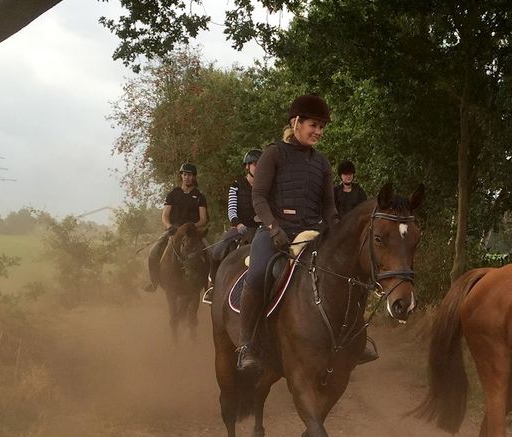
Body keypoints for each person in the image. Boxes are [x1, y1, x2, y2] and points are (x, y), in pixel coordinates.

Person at [236, 94, 378, 372]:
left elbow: (328, 205)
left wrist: (337, 230)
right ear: (296, 122)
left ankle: (355, 337)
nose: (319, 132)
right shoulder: (273, 154)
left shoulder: (322, 163)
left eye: (322, 127)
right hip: (274, 231)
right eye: (314, 125)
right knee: (257, 273)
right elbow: (259, 197)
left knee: (348, 273)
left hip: (313, 232)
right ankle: (247, 345)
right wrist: (273, 227)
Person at [203, 149, 262, 303]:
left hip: (261, 228)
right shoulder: (236, 185)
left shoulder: (265, 186)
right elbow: (231, 210)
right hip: (240, 227)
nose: (259, 167)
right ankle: (213, 287)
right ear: (247, 167)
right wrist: (238, 223)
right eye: (255, 164)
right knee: (217, 251)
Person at [144, 162, 208, 292]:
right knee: (153, 251)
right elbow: (165, 215)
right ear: (181, 176)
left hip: (192, 232)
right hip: (174, 230)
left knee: (209, 252)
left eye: (189, 175)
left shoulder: (200, 197)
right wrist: (169, 226)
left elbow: (203, 219)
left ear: (194, 177)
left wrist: (189, 227)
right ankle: (153, 282)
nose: (186, 177)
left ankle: (208, 285)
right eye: (184, 174)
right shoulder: (173, 194)